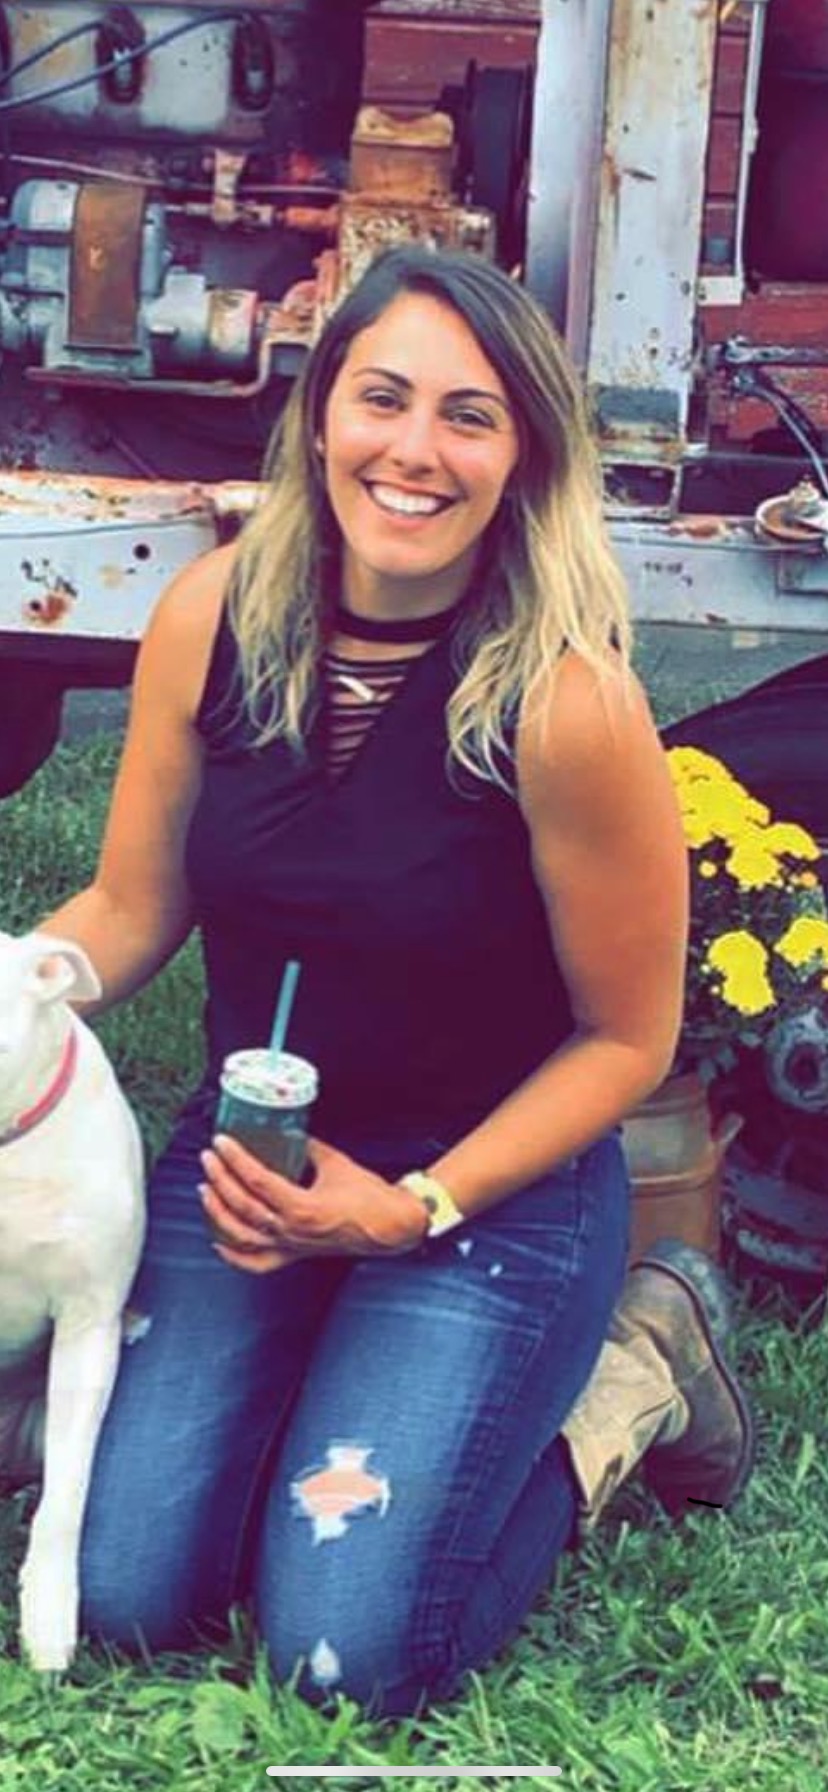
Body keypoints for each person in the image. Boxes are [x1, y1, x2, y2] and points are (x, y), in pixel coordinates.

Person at [32, 246, 753, 1713]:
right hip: (256, 1163)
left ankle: (635, 1372)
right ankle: (328, 1381)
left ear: (523, 457)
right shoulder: (214, 616)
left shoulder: (567, 699)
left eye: (469, 417)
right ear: (319, 420)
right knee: (126, 1598)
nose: (414, 451)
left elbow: (628, 1040)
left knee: (346, 1653)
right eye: (382, 399)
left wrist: (411, 1207)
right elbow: (129, 907)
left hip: (485, 1187)